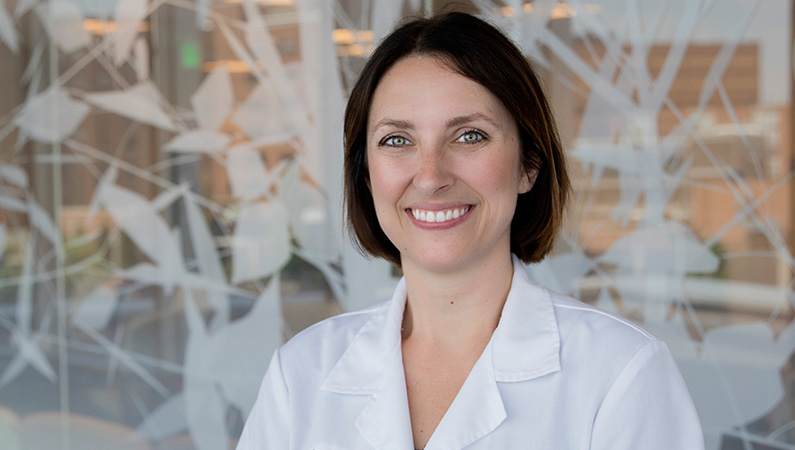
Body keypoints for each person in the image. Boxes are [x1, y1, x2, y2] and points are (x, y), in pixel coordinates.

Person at [237, 11, 704, 450]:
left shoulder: (622, 373)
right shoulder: (298, 376)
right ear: (366, 176)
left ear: (528, 165)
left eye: (469, 136)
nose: (430, 175)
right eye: (397, 140)